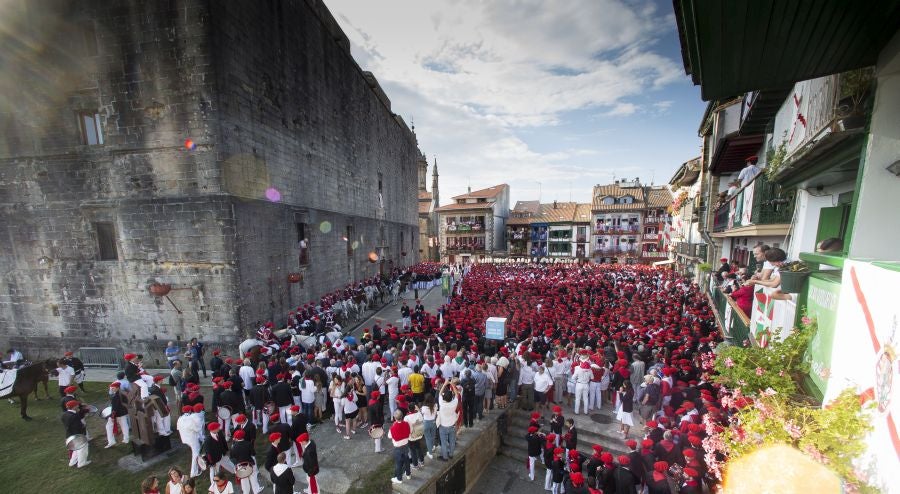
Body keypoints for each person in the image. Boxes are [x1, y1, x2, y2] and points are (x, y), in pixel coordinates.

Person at [229, 429, 262, 494]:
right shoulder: (248, 444)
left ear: (236, 437)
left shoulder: (233, 447)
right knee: (253, 477)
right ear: (243, 436)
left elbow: (232, 458)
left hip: (240, 466)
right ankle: (256, 490)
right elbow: (253, 454)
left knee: (244, 480)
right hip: (250, 463)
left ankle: (246, 492)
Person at [61, 400, 90, 468]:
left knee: (75, 449)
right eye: (77, 405)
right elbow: (77, 427)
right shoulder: (74, 416)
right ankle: (82, 463)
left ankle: (72, 462)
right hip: (77, 435)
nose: (78, 406)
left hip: (69, 435)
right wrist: (83, 428)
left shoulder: (64, 414)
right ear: (74, 407)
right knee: (83, 448)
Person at [436, 379, 459, 461]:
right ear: (451, 398)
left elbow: (439, 394)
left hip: (443, 426)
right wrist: (452, 384)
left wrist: (445, 384)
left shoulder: (442, 404)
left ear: (444, 397)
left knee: (444, 442)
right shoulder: (454, 403)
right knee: (452, 441)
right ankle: (451, 454)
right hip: (452, 425)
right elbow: (456, 394)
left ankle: (445, 457)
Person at [388, 409, 411, 484]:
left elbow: (389, 436)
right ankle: (408, 474)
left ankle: (399, 479)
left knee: (398, 463)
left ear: (395, 418)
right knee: (406, 460)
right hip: (406, 445)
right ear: (402, 416)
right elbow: (409, 431)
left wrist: (394, 425)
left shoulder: (393, 428)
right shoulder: (406, 424)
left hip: (398, 447)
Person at [105, 381, 130, 447]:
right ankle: (126, 439)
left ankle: (111, 441)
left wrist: (112, 417)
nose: (112, 389)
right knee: (124, 425)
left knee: (109, 426)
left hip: (118, 414)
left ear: (117, 388)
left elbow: (115, 408)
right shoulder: (122, 393)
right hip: (123, 412)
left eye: (113, 388)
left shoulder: (116, 396)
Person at [405, 403, 425, 469]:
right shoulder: (419, 414)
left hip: (411, 437)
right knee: (419, 448)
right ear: (414, 408)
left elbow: (406, 428)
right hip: (419, 434)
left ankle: (415, 465)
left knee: (413, 451)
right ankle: (422, 461)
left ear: (408, 409)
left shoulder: (406, 417)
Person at [420, 394, 438, 458]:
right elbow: (436, 414)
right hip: (433, 422)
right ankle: (432, 446)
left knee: (427, 438)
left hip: (426, 423)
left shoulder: (424, 408)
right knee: (433, 436)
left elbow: (421, 413)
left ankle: (430, 453)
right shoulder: (435, 405)